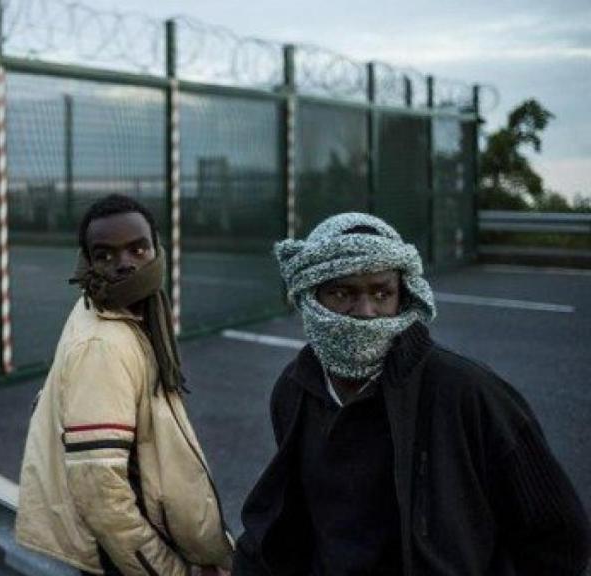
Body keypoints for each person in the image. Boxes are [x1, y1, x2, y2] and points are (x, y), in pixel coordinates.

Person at [233, 212, 589, 575]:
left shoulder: (468, 393)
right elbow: (289, 520)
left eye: (381, 293)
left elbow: (559, 538)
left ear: (403, 297)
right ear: (311, 297)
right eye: (342, 293)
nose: (366, 313)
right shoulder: (296, 388)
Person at [16, 194, 232, 575]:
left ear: (156, 250)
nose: (125, 264)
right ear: (86, 262)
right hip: (127, 557)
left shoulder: (121, 314)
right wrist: (166, 570)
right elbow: (101, 492)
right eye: (105, 255)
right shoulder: (103, 344)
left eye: (138, 248)